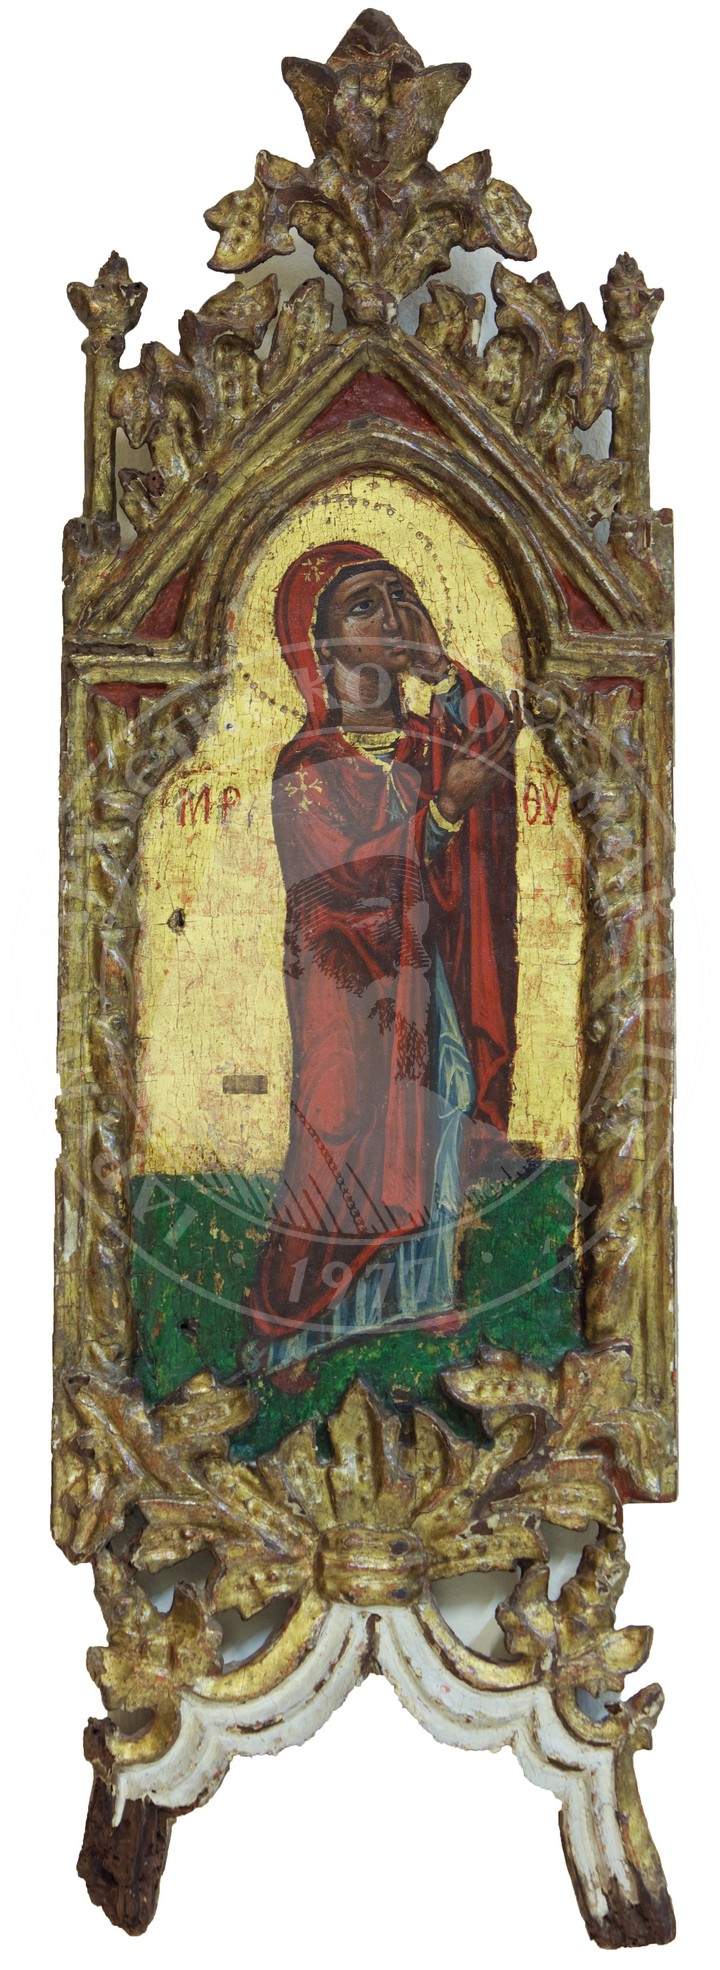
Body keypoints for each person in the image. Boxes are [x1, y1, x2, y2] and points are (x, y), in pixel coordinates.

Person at [245, 540, 520, 1374]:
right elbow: (339, 885)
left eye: (403, 595)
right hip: (351, 996)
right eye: (365, 604)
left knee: (442, 1106)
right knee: (342, 1140)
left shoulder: (427, 741)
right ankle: (299, 1321)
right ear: (319, 646)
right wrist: (443, 812)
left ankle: (422, 1292)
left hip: (433, 977)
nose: (394, 614)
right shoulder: (308, 766)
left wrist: (442, 669)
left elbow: (494, 730)